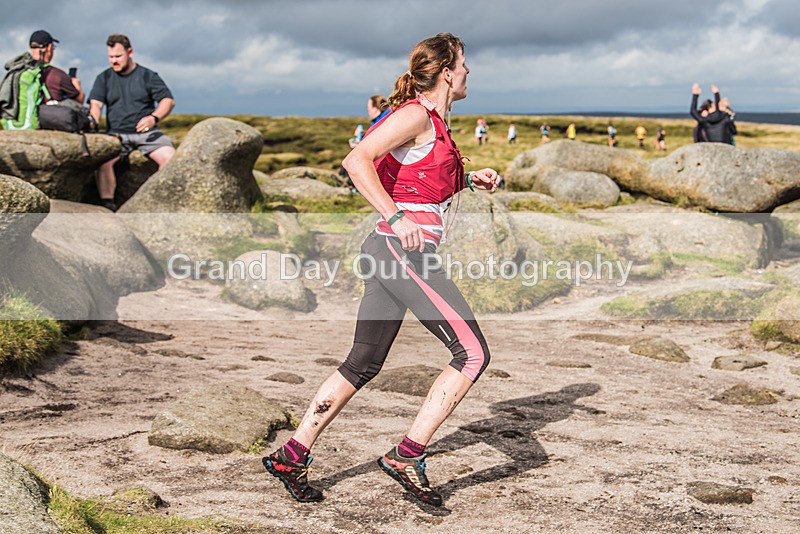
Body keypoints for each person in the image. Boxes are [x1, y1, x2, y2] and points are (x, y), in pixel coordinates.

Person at [263, 32, 498, 507]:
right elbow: (357, 160)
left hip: (388, 251)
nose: (471, 71)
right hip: (399, 252)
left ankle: (292, 453)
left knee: (363, 362)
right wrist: (395, 217)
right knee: (472, 354)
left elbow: (419, 179)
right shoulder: (416, 113)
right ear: (448, 72)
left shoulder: (433, 120)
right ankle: (407, 455)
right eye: (466, 63)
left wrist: (469, 180)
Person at [88, 34, 175, 212]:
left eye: (118, 56)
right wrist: (93, 122)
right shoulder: (103, 78)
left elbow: (167, 101)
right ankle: (108, 206)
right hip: (116, 134)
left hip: (147, 134)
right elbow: (95, 104)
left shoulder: (148, 76)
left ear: (130, 52)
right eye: (110, 57)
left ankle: (153, 201)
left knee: (170, 157)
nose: (114, 61)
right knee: (102, 160)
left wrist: (154, 117)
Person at [28, 30, 85, 106]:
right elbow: (79, 101)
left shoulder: (20, 72)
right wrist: (78, 86)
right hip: (48, 117)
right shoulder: (58, 76)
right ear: (49, 47)